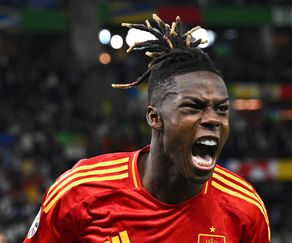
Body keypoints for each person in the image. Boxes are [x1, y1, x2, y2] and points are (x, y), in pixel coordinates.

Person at [24, 14, 270, 242]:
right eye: (194, 107)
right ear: (155, 117)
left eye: (222, 109)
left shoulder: (244, 210)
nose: (213, 120)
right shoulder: (79, 192)